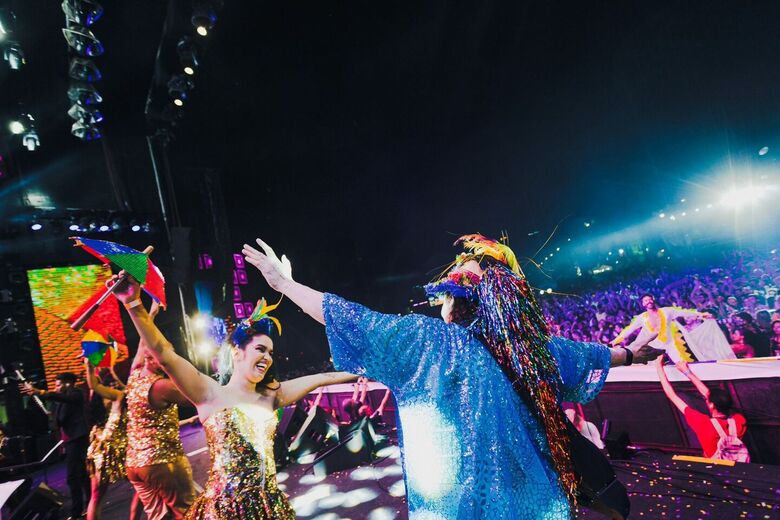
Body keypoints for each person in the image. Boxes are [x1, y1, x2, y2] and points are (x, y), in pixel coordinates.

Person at [243, 235, 663, 519]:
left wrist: (286, 284)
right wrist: (631, 353)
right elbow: (588, 353)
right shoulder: (526, 348)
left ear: (452, 301)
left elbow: (350, 318)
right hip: (535, 505)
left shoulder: (428, 342)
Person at [113, 273, 357, 520]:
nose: (267, 357)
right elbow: (165, 354)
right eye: (260, 349)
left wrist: (370, 368)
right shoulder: (209, 393)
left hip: (268, 508)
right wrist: (133, 303)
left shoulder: (272, 395)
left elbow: (325, 377)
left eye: (270, 352)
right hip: (226, 511)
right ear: (237, 352)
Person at [123, 306, 198, 520]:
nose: (170, 357)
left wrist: (151, 314)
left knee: (158, 517)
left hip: (135, 464)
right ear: (151, 357)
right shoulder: (161, 386)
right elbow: (198, 396)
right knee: (187, 512)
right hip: (161, 461)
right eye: (164, 352)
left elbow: (142, 343)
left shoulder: (134, 375)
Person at [22, 373, 90, 519]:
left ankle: (77, 510)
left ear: (68, 384)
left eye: (58, 385)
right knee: (81, 474)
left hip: (78, 439)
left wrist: (41, 392)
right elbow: (57, 420)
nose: (56, 388)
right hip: (69, 440)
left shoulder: (76, 394)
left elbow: (62, 398)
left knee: (74, 476)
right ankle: (88, 504)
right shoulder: (60, 400)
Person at [655, 358, 748, 460]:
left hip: (715, 467)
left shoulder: (703, 423)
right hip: (738, 466)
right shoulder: (739, 420)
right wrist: (686, 371)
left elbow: (672, 395)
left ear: (712, 405)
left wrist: (658, 366)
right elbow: (710, 396)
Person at [611, 293, 716, 362]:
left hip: (670, 343)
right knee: (655, 369)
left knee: (682, 362)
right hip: (655, 346)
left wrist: (702, 315)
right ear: (643, 304)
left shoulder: (666, 311)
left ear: (653, 300)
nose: (649, 301)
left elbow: (684, 312)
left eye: (650, 299)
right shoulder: (642, 318)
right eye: (646, 300)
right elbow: (629, 330)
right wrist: (616, 341)